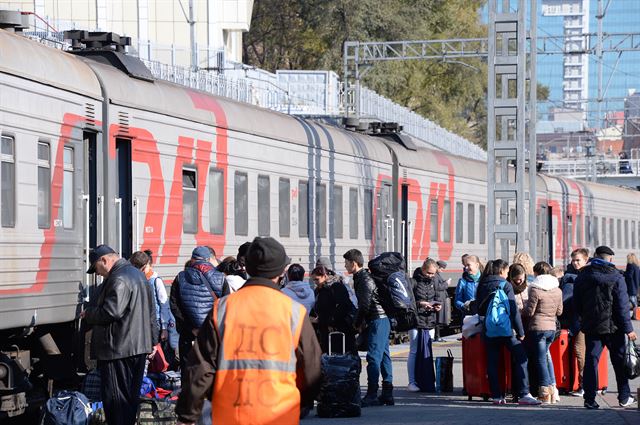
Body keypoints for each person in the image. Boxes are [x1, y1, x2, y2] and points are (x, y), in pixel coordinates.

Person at [175, 237, 322, 425]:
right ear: (281, 272)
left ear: (248, 268)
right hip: (280, 415)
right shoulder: (294, 313)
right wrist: (302, 404)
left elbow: (201, 368)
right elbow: (312, 368)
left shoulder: (222, 309)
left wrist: (187, 415)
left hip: (231, 415)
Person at [81, 245, 157, 425]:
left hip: (118, 349)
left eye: (97, 268)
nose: (98, 274)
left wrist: (89, 314)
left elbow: (111, 312)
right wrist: (153, 341)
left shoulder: (119, 278)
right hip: (137, 347)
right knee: (130, 399)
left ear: (104, 261)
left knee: (115, 400)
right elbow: (151, 312)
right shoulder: (138, 275)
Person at [573, 245, 638, 409]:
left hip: (592, 327)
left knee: (591, 362)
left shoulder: (583, 275)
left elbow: (576, 302)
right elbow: (622, 307)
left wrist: (584, 319)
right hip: (614, 328)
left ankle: (589, 399)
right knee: (619, 362)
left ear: (595, 257)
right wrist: (629, 329)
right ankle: (624, 396)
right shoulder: (616, 277)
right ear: (609, 259)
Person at [475, 259, 541, 406]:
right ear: (500, 271)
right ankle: (524, 393)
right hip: (506, 331)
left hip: (489, 330)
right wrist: (521, 331)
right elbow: (513, 311)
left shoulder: (482, 285)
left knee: (492, 363)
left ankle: (497, 396)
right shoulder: (506, 285)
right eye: (505, 271)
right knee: (521, 357)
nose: (506, 274)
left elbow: (478, 309)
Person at [343, 249, 392, 407]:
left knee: (373, 358)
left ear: (354, 263)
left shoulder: (363, 279)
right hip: (381, 320)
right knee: (384, 356)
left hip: (377, 320)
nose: (345, 265)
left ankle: (372, 394)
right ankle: (387, 394)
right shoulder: (363, 277)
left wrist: (357, 323)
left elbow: (364, 305)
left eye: (346, 262)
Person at [170, 246, 225, 376]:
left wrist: (187, 326)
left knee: (188, 370)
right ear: (208, 260)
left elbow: (174, 304)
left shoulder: (180, 277)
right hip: (211, 335)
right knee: (210, 370)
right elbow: (225, 306)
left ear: (193, 259)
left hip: (187, 335)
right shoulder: (221, 278)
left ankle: (188, 395)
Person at [522, 261, 563, 404]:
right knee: (546, 357)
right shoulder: (558, 290)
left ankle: (545, 391)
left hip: (538, 329)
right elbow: (560, 311)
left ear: (536, 273)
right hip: (551, 329)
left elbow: (529, 312)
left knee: (540, 360)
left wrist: (522, 308)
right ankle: (553, 389)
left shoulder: (535, 289)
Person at [407, 258, 442, 392]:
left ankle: (427, 380)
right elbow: (408, 301)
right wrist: (420, 304)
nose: (431, 276)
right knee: (414, 351)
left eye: (433, 274)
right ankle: (412, 382)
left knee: (428, 351)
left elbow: (438, 297)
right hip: (416, 321)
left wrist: (437, 306)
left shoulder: (434, 281)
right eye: (429, 273)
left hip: (429, 320)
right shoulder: (413, 282)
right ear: (422, 269)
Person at [559, 247, 589, 396]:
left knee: (580, 351)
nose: (575, 263)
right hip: (577, 320)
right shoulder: (570, 278)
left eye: (578, 260)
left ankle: (585, 385)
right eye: (573, 260)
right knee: (581, 352)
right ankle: (584, 385)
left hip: (583, 322)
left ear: (586, 260)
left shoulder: (572, 279)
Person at [310, 265, 357, 354]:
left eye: (317, 279)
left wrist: (330, 321)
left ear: (325, 276)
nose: (315, 282)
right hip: (324, 329)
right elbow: (317, 307)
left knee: (340, 355)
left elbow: (343, 306)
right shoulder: (319, 290)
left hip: (338, 328)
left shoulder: (336, 287)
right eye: (314, 280)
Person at [625, 253, 640, 319]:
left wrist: (623, 273)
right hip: (635, 287)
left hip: (630, 287)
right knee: (633, 302)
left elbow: (629, 275)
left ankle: (632, 315)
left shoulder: (630, 265)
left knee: (630, 302)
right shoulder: (637, 266)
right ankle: (635, 315)